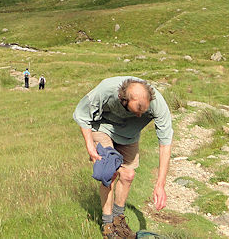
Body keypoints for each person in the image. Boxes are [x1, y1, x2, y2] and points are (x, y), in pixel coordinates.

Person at [73, 76, 173, 239]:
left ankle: (118, 221)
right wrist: (90, 146)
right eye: (135, 112)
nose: (140, 116)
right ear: (122, 100)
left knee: (128, 175)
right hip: (102, 128)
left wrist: (160, 184)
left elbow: (165, 142)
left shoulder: (158, 104)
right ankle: (107, 225)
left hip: (129, 136)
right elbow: (82, 114)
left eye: (143, 113)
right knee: (109, 173)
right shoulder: (106, 89)